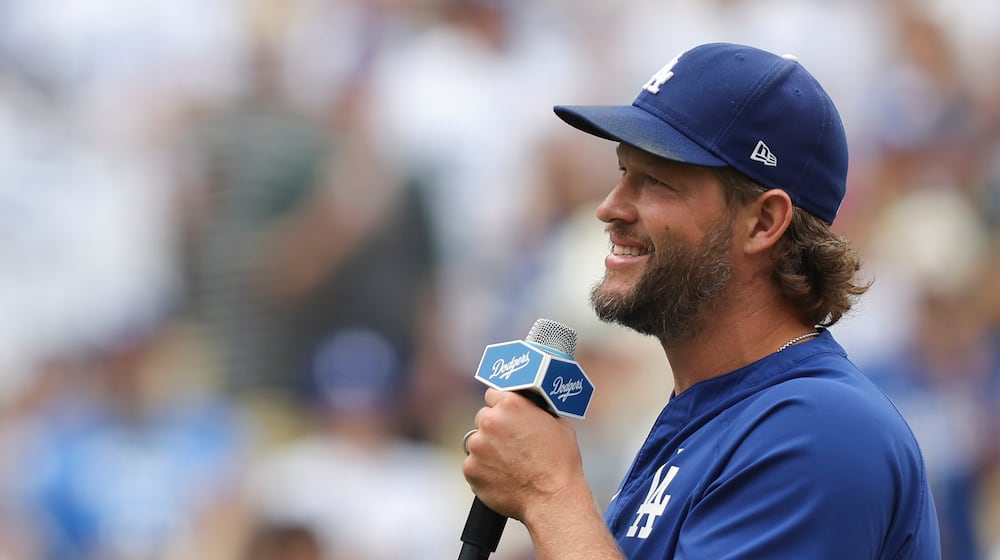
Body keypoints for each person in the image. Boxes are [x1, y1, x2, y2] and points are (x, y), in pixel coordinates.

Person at [461, 42, 942, 559]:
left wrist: (550, 493)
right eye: (623, 173)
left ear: (762, 222)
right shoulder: (720, 414)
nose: (610, 208)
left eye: (657, 181)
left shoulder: (820, 431)